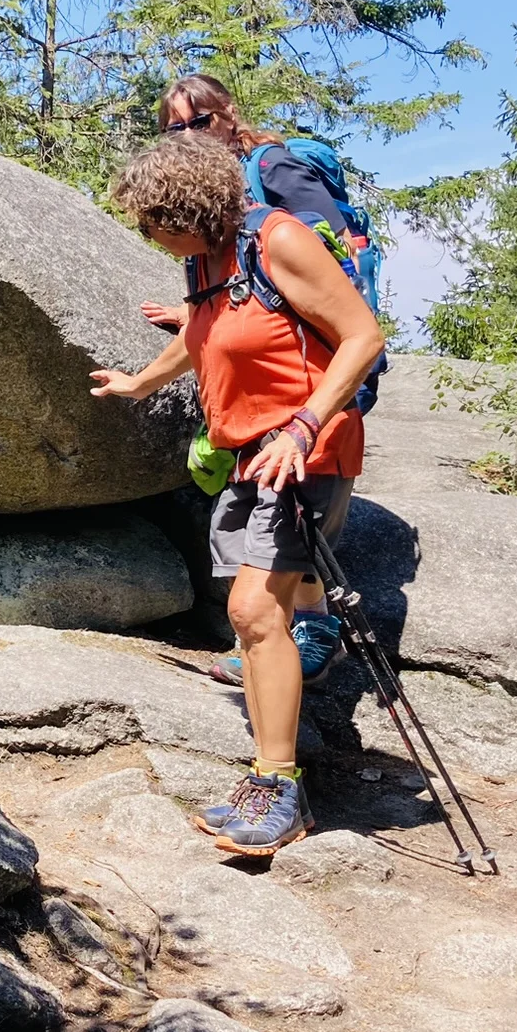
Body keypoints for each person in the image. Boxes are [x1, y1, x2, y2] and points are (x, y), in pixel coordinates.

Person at [91, 134, 385, 855]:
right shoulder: (208, 259)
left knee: (253, 611)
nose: (149, 236)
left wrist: (305, 423)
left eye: (153, 221)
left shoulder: (277, 240)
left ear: (188, 207)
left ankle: (279, 785)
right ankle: (269, 775)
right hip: (250, 457)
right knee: (256, 619)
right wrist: (140, 382)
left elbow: (361, 336)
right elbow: (202, 330)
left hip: (305, 454)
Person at [141, 74, 365, 690]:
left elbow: (332, 282)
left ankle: (312, 631)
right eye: (175, 127)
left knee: (292, 536)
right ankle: (280, 638)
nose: (189, 135)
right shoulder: (199, 219)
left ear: (228, 116)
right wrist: (203, 314)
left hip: (308, 385)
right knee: (268, 556)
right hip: (254, 406)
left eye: (200, 121)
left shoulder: (275, 177)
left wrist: (309, 417)